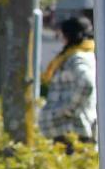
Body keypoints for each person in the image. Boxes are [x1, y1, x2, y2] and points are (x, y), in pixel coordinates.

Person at [38, 16, 97, 144]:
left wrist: (66, 110)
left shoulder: (77, 58)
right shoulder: (86, 54)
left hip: (71, 128)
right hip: (73, 128)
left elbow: (87, 83)